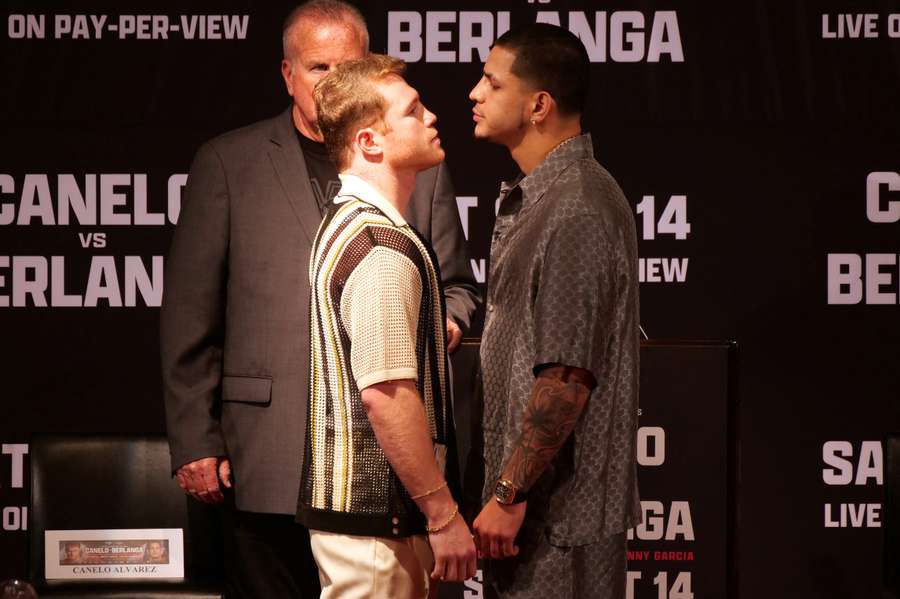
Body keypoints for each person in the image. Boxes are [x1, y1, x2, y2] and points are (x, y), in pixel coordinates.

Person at [160, 2, 478, 597]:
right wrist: (196, 438)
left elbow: (455, 287)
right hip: (268, 448)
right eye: (317, 67)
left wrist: (438, 325)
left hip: (375, 468)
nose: (334, 83)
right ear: (287, 74)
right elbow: (188, 310)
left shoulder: (418, 170)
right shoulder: (229, 162)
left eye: (349, 65)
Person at [468, 23, 641, 598]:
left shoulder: (578, 210)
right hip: (536, 520)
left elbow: (567, 378)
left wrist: (507, 494)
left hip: (556, 526)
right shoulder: (547, 199)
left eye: (492, 83)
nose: (475, 93)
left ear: (538, 105)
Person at [298, 53, 477, 599]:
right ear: (370, 143)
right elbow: (386, 395)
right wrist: (444, 516)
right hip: (380, 528)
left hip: (370, 524)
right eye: (413, 110)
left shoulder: (350, 223)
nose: (430, 117)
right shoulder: (379, 248)